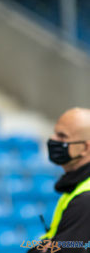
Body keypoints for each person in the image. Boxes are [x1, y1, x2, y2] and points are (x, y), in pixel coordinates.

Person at [28, 107, 90, 253]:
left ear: (86, 148)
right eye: (55, 133)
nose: (53, 140)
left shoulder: (85, 200)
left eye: (62, 136)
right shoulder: (75, 187)